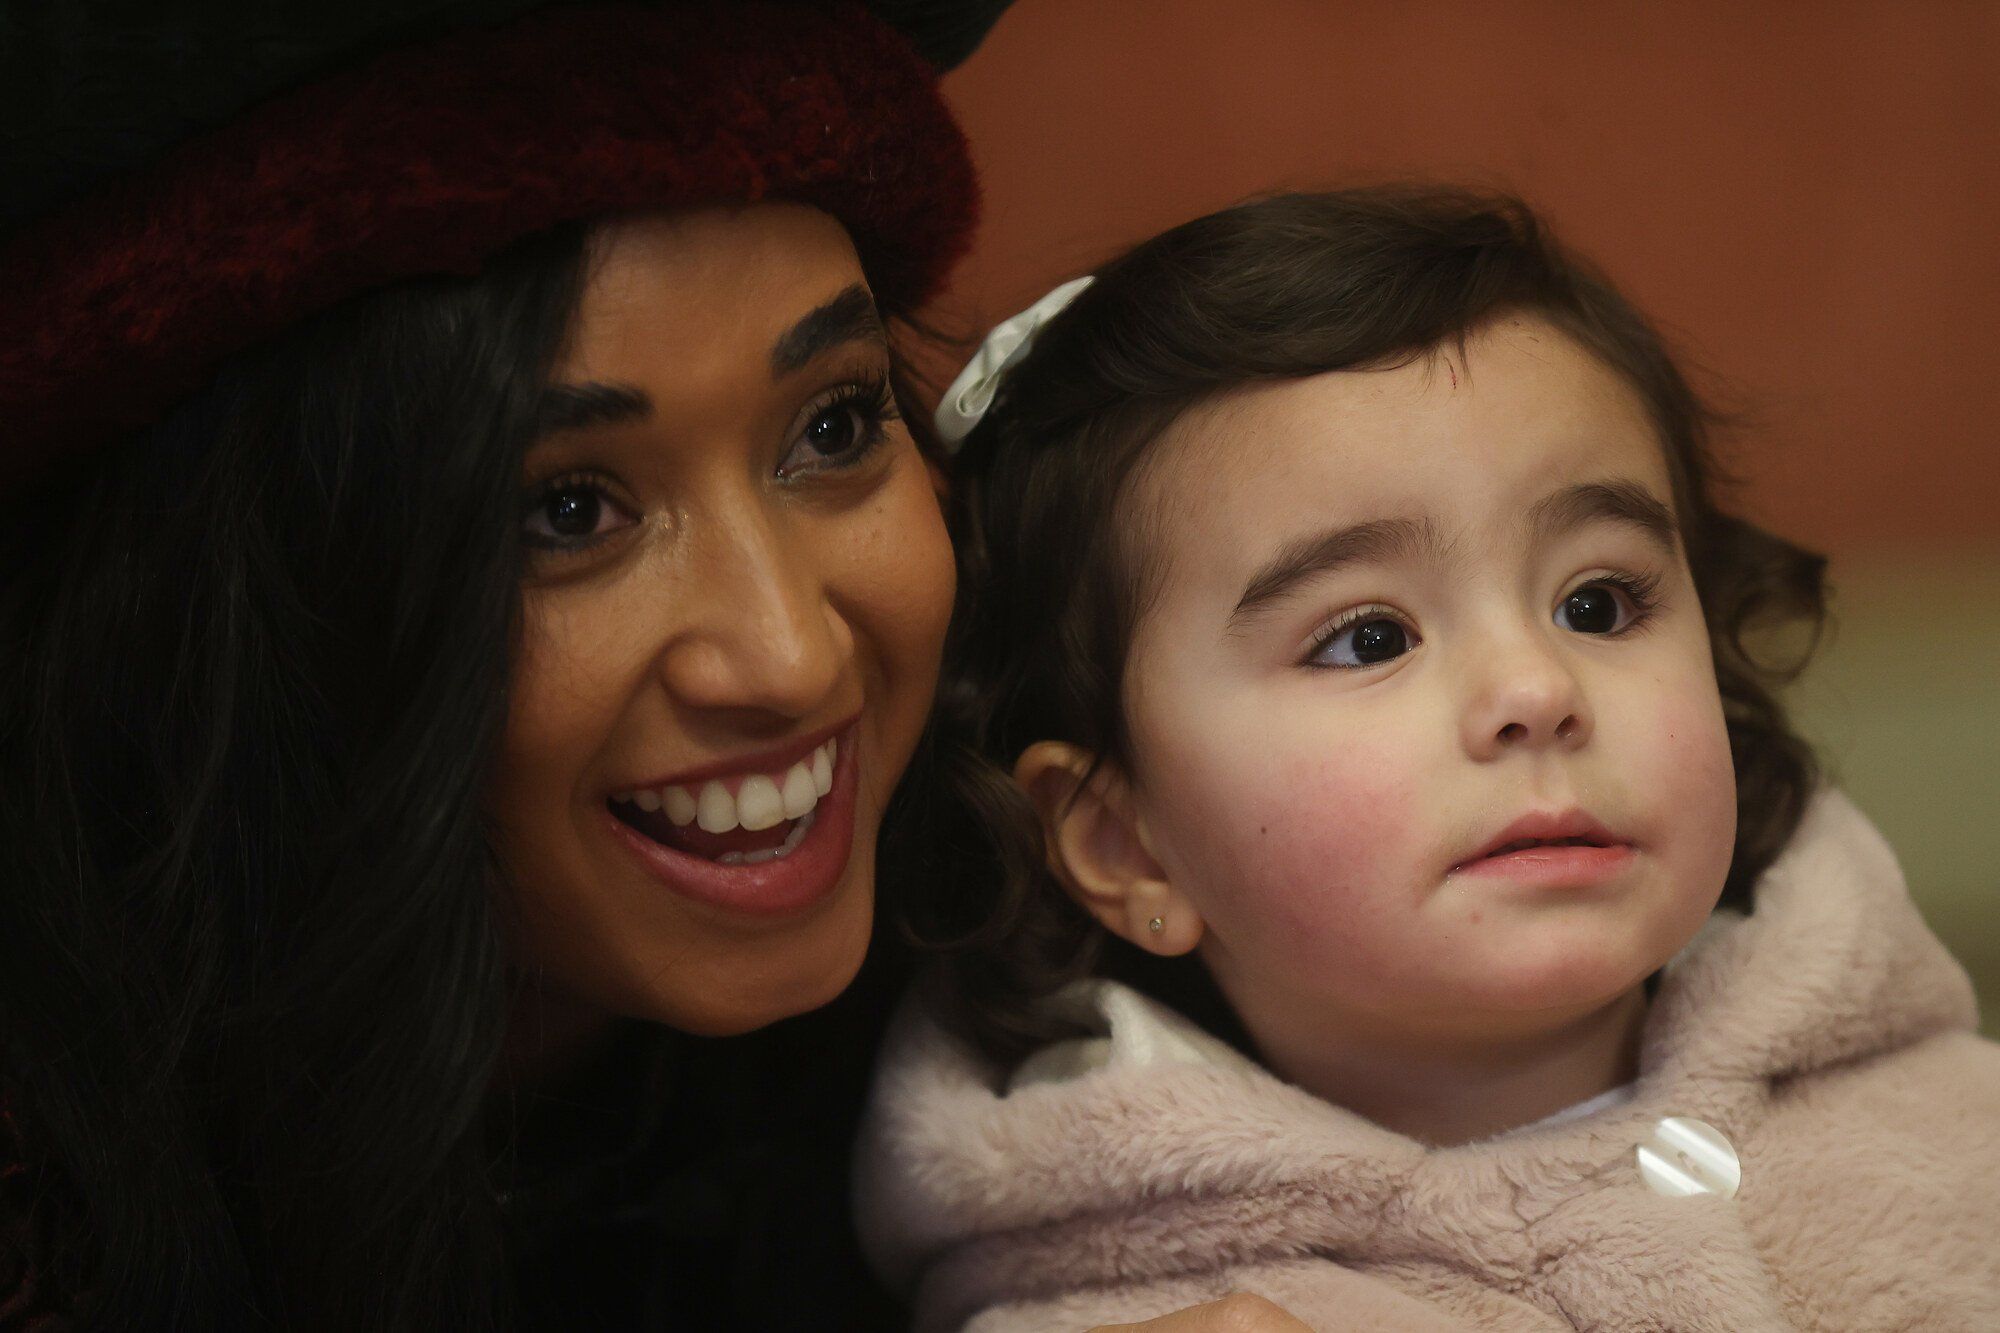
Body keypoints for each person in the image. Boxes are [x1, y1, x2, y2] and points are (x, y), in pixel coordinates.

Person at [857, 189, 2000, 1331]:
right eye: (1367, 638)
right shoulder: (1118, 1310)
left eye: (1596, 604)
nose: (1535, 691)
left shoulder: (1951, 1139)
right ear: (1128, 843)